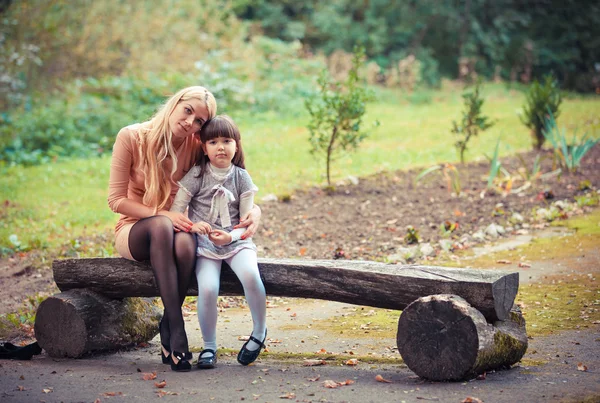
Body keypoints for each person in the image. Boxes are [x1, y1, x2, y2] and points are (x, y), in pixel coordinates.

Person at [107, 87, 262, 372]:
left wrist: (255, 211)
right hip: (135, 230)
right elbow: (116, 200)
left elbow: (230, 177)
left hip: (177, 227)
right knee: (164, 227)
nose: (191, 123)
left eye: (200, 121)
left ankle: (168, 326)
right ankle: (177, 329)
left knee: (187, 244)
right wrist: (161, 213)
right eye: (188, 111)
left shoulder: (194, 145)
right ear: (175, 103)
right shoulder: (130, 137)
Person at [170, 115, 267, 369]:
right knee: (209, 288)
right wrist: (193, 226)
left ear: (237, 144)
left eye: (227, 140)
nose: (220, 147)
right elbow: (177, 209)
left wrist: (231, 236)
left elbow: (246, 222)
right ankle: (209, 346)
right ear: (204, 147)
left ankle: (259, 332)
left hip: (236, 242)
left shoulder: (241, 177)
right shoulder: (197, 174)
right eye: (213, 142)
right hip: (205, 245)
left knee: (250, 275)